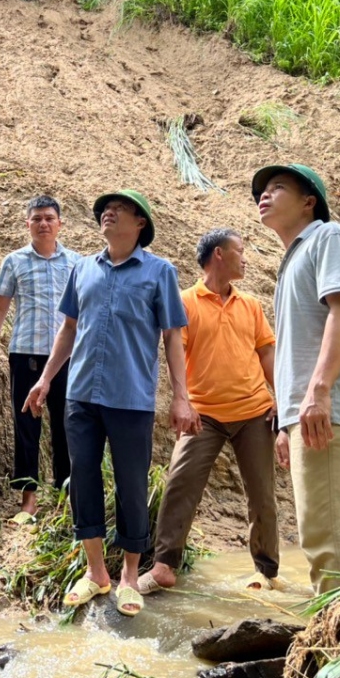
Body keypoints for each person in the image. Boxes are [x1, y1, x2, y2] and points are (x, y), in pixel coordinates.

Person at [24, 190, 197, 617]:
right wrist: (46, 379)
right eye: (104, 210)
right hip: (80, 395)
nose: (108, 214)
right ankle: (96, 572)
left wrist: (181, 397)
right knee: (82, 479)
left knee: (131, 485)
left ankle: (128, 578)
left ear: (140, 224)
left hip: (131, 398)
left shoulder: (160, 273)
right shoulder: (83, 268)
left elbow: (173, 336)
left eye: (119, 210)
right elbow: (68, 329)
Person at [140, 228, 281, 595]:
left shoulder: (250, 304)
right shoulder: (185, 301)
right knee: (180, 484)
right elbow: (173, 351)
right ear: (218, 254)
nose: (245, 258)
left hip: (254, 412)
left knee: (262, 493)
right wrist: (181, 399)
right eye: (240, 250)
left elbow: (267, 353)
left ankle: (265, 570)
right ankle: (163, 566)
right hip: (204, 414)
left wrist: (281, 396)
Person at [254, 163, 340, 595]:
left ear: (309, 202)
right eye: (261, 192)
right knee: (324, 530)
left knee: (331, 539)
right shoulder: (295, 257)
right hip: (306, 413)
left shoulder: (328, 237)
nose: (264, 196)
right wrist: (287, 421)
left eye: (277, 188)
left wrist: (320, 392)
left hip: (326, 409)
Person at [0, 195, 80, 523]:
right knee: (26, 425)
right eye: (37, 218)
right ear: (27, 224)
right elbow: (0, 308)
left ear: (60, 223)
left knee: (66, 427)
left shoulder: (77, 263)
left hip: (65, 357)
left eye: (49, 218)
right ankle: (28, 501)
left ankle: (65, 498)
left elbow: (84, 313)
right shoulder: (15, 261)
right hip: (25, 354)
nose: (43, 223)